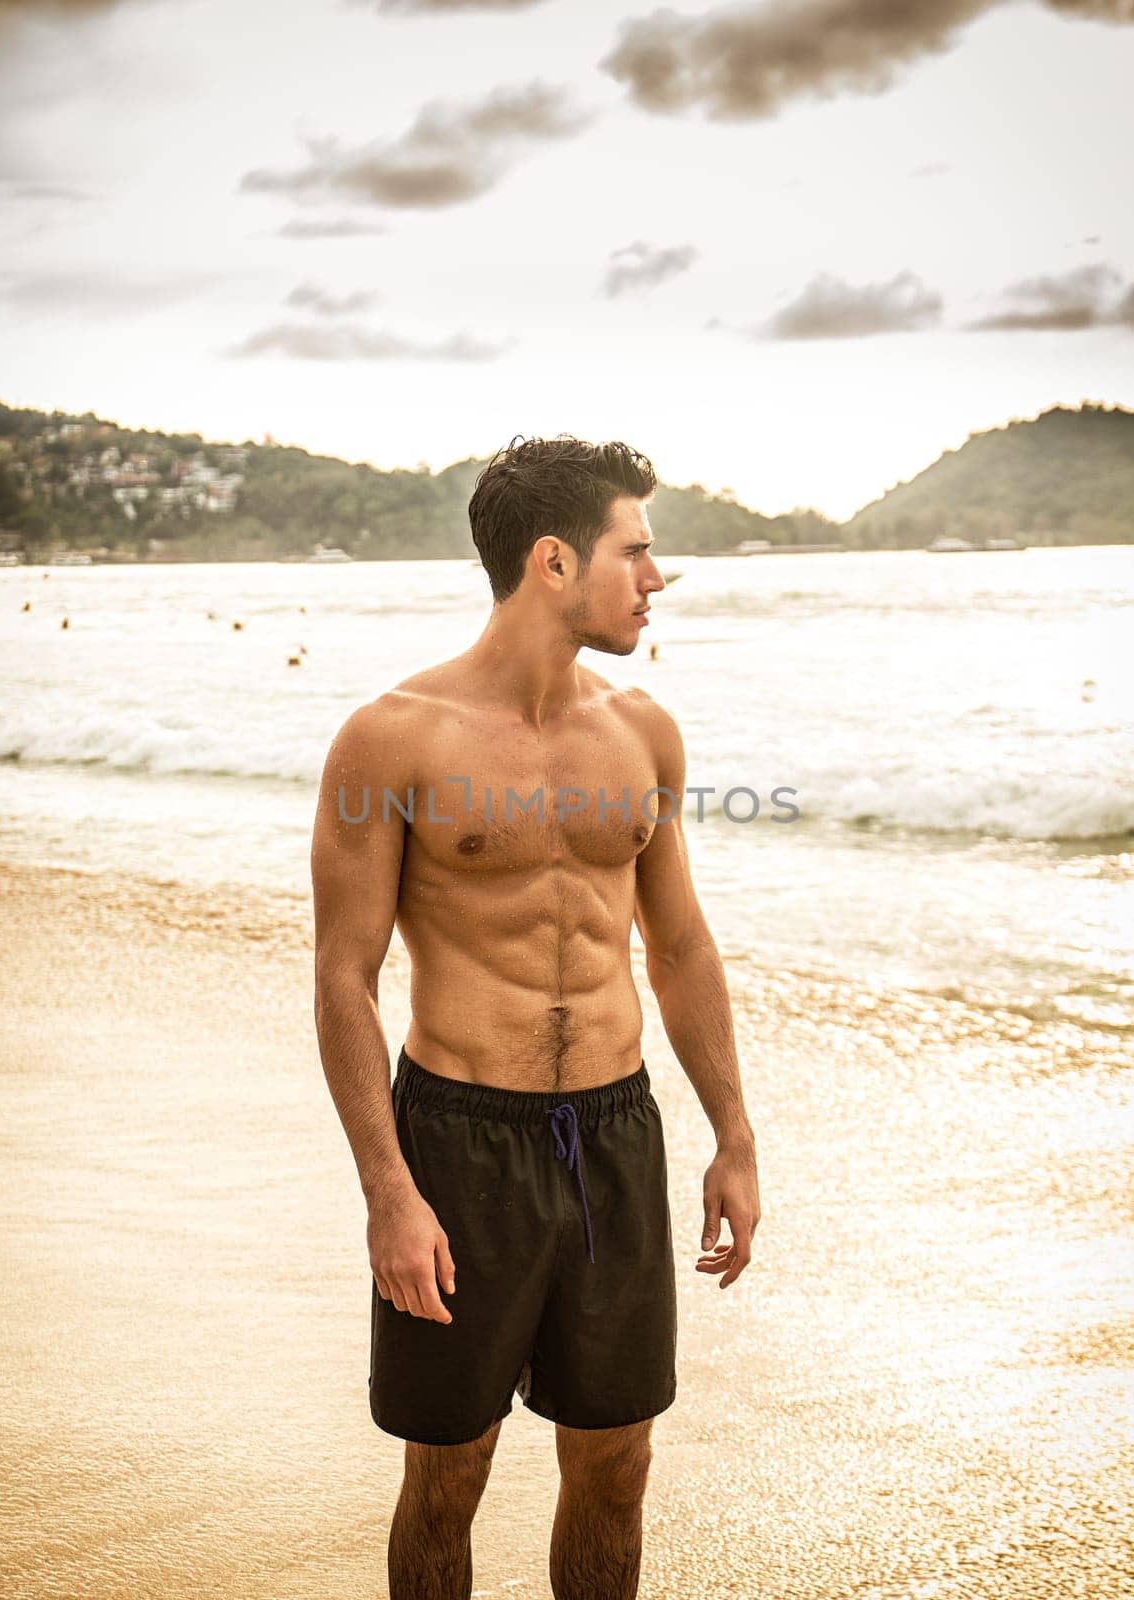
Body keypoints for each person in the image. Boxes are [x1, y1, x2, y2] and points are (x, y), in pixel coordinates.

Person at [311, 434, 760, 1600]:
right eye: (637, 550)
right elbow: (343, 975)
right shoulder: (392, 737)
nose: (656, 578)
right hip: (459, 1143)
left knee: (617, 1464)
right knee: (448, 1475)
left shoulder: (643, 733)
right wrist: (388, 1190)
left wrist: (734, 1136)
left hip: (615, 1134)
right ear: (553, 561)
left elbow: (680, 945)